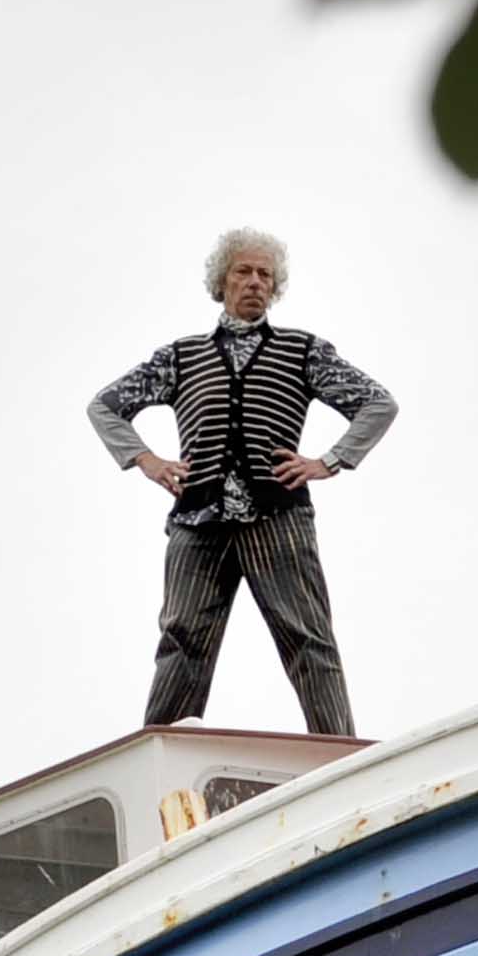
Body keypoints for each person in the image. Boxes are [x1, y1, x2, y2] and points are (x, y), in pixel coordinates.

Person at [85, 228, 397, 736]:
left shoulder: (302, 351)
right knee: (182, 642)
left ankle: (338, 752)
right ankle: (161, 755)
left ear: (274, 288)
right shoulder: (181, 357)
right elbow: (105, 406)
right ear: (222, 281)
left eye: (265, 275)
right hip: (197, 519)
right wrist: (145, 459)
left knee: (308, 639)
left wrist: (330, 460)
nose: (255, 282)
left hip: (278, 516)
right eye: (244, 271)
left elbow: (377, 403)